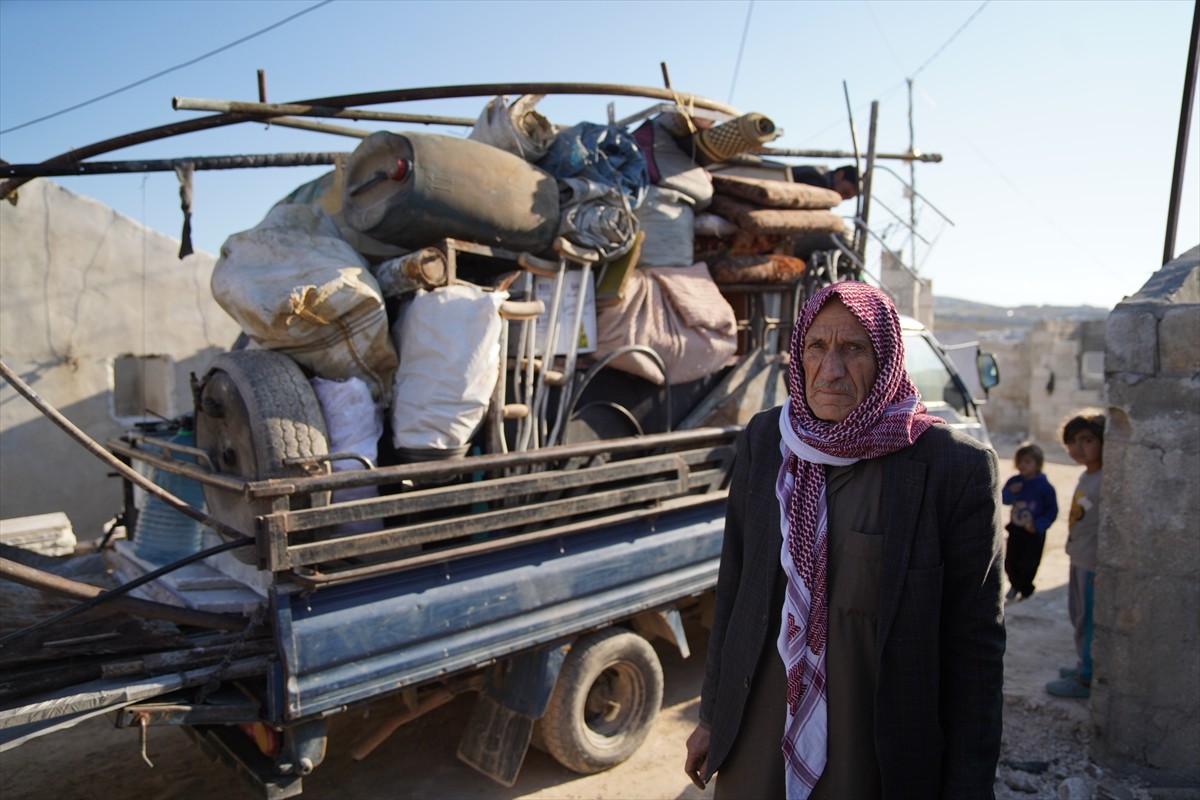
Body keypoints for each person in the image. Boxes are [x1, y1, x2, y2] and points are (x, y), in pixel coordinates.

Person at [683, 280, 1005, 799]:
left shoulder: (952, 467)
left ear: (886, 359)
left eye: (854, 349)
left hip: (873, 759)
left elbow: (975, 646)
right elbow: (736, 591)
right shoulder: (768, 440)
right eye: (817, 347)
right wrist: (710, 716)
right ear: (798, 354)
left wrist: (969, 784)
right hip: (756, 740)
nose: (831, 370)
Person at [1045, 410, 1104, 699]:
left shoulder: (1105, 479)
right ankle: (1084, 664)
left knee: (1089, 620)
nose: (1078, 448)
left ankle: (1087, 677)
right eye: (1072, 442)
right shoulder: (1087, 476)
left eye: (1087, 440)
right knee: (1078, 615)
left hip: (1093, 564)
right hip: (1078, 557)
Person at [1002, 442, 1059, 601]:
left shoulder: (1045, 487)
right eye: (1020, 461)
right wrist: (1010, 493)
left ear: (1037, 464)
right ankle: (1015, 584)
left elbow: (1052, 511)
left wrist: (1038, 525)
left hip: (1034, 533)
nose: (1022, 465)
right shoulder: (1015, 482)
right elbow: (1003, 499)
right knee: (1010, 562)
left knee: (1029, 564)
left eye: (1027, 462)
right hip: (1015, 530)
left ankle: (1026, 589)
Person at [789, 164, 859, 201]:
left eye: (846, 198)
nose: (841, 198)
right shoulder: (817, 182)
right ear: (839, 175)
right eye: (844, 192)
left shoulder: (820, 178)